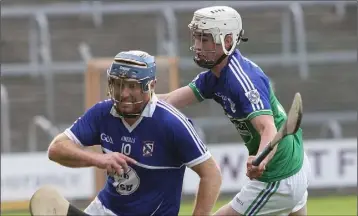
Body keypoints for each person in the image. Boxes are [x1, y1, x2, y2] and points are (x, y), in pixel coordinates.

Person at [157, 6, 311, 216]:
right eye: (196, 38)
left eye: (205, 39)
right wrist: (132, 101)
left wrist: (261, 160)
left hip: (278, 176)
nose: (197, 46)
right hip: (293, 160)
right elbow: (167, 101)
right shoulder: (213, 77)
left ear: (227, 41)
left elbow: (268, 128)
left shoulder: (243, 81)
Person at [47, 50, 222, 216]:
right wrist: (98, 159)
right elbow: (56, 149)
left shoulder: (172, 123)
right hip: (104, 209)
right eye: (118, 84)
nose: (123, 94)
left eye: (132, 86)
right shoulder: (102, 113)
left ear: (151, 85)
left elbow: (211, 174)